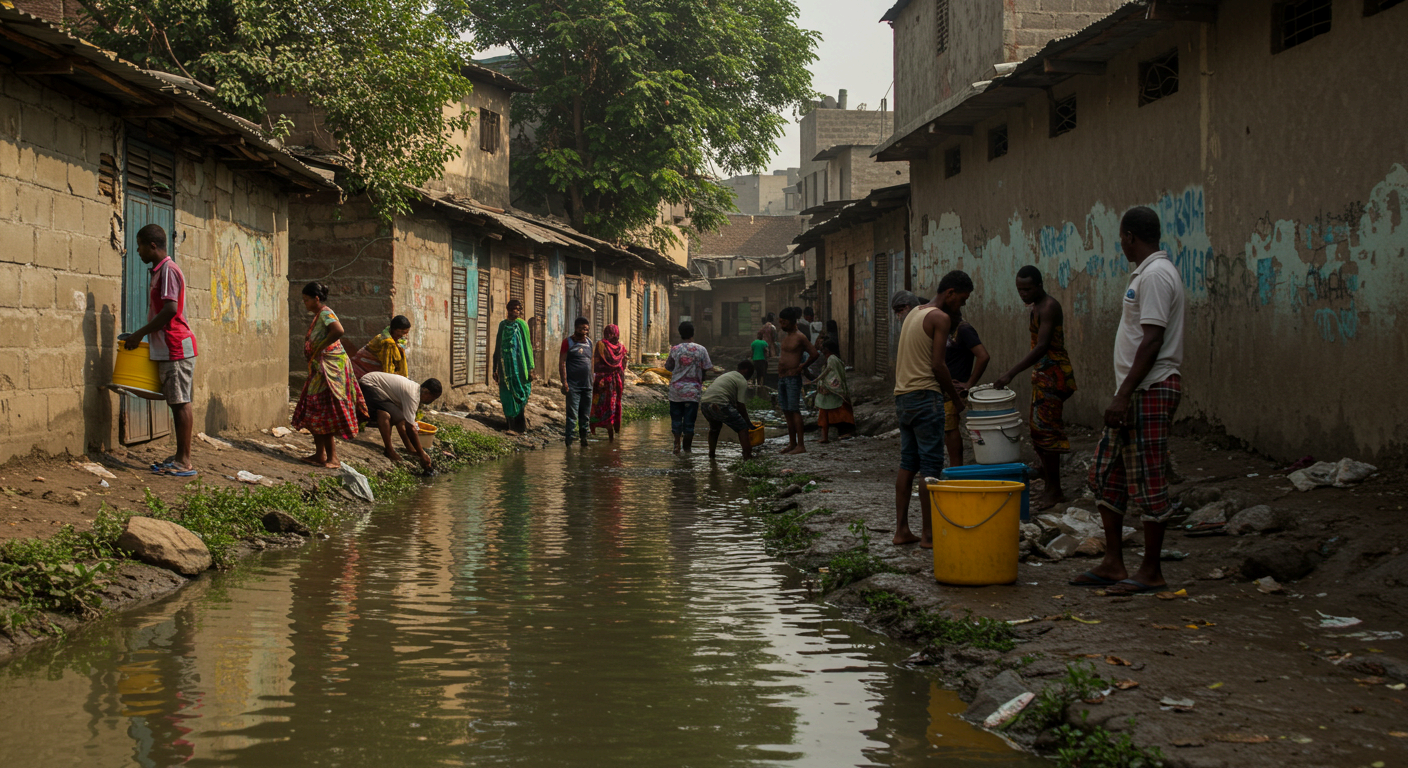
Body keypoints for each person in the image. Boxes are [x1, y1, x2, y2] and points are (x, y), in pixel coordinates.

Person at [1073, 206, 1186, 596]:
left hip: (1148, 391)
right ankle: (1113, 562)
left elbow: (1152, 339)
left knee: (1148, 479)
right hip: (1135, 392)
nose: (1120, 244)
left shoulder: (1155, 275)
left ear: (1129, 236)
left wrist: (1123, 395)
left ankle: (1151, 571)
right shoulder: (1147, 273)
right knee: (1106, 476)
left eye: (1121, 237)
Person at [892, 271, 968, 547]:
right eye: (961, 299)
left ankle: (901, 531)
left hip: (903, 397)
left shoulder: (914, 313)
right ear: (949, 294)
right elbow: (938, 365)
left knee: (907, 464)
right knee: (931, 468)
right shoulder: (940, 318)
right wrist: (956, 399)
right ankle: (929, 534)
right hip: (926, 397)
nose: (961, 305)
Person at [994, 265, 1077, 508]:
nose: (1023, 294)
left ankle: (1055, 490)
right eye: (1020, 290)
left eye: (1027, 289)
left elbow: (1041, 347)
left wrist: (1010, 373)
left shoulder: (1049, 306)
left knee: (1047, 432)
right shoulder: (1036, 307)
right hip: (1043, 375)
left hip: (1054, 375)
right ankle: (1048, 480)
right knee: (1038, 430)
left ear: (1039, 286)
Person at [124, 224, 198, 477]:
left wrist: (140, 333)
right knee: (177, 401)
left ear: (152, 246)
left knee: (180, 403)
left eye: (140, 245)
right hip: (169, 346)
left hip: (175, 345)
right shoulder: (159, 271)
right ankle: (180, 456)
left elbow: (169, 310)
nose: (137, 250)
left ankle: (184, 461)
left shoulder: (167, 270)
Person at [291, 281, 367, 468]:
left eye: (307, 300)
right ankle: (320, 454)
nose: (305, 303)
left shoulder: (326, 313)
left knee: (324, 412)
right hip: (320, 371)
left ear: (316, 298)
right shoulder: (320, 315)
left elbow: (338, 331)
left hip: (330, 373)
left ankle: (333, 458)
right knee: (316, 411)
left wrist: (320, 349)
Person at [940, 282, 990, 468]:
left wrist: (968, 383)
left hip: (953, 388)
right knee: (947, 429)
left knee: (950, 429)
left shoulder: (964, 330)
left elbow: (983, 356)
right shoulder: (947, 331)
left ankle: (956, 468)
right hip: (944, 387)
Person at [358, 372, 442, 471]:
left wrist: (411, 449)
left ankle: (397, 449)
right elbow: (410, 428)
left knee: (394, 416)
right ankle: (389, 450)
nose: (431, 401)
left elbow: (401, 424)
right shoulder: (412, 396)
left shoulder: (413, 391)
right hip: (369, 384)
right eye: (433, 397)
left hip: (375, 387)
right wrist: (421, 453)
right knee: (387, 414)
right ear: (426, 392)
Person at [665, 321, 713, 454]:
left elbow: (668, 367)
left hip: (676, 392)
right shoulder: (701, 349)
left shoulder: (675, 349)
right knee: (689, 422)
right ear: (693, 333)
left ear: (680, 333)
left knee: (676, 419)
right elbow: (708, 367)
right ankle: (687, 449)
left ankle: (676, 444)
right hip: (693, 392)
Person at [776, 307, 818, 455]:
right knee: (786, 411)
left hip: (793, 378)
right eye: (780, 322)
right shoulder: (786, 337)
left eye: (784, 322)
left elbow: (814, 354)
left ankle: (801, 445)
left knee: (794, 410)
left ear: (792, 321)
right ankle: (792, 443)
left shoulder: (800, 337)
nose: (782, 325)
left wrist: (801, 367)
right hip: (782, 378)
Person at [492, 298, 534, 434]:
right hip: (505, 368)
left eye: (518, 309)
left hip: (520, 367)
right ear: (508, 310)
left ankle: (520, 426)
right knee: (506, 395)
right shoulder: (502, 325)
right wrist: (495, 368)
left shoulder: (522, 324)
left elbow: (528, 346)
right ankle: (510, 425)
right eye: (513, 308)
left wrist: (530, 368)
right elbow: (498, 346)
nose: (515, 311)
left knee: (521, 392)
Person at [700, 360, 756, 460]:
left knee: (715, 428)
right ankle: (748, 456)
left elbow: (733, 403)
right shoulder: (742, 380)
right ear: (746, 371)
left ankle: (711, 455)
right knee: (743, 428)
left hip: (705, 403)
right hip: (720, 404)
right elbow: (740, 405)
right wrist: (748, 422)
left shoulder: (728, 375)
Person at [810, 338, 854, 443]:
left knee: (838, 412)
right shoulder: (831, 359)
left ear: (827, 349)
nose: (821, 349)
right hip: (828, 391)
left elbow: (834, 375)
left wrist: (828, 385)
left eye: (823, 347)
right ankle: (825, 437)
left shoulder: (832, 359)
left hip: (831, 391)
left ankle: (840, 434)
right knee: (824, 414)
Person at [558, 317, 593, 447]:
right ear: (576, 328)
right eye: (581, 329)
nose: (584, 332)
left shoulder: (589, 342)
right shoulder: (567, 342)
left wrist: (592, 380)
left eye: (586, 329)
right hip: (573, 386)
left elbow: (591, 362)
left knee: (585, 415)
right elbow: (562, 362)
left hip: (587, 385)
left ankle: (584, 440)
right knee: (572, 415)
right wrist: (564, 382)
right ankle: (569, 442)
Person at [591, 323, 629, 441]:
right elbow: (623, 366)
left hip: (602, 381)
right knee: (612, 404)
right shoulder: (621, 347)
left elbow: (596, 364)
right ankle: (611, 434)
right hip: (616, 381)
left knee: (598, 403)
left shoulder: (600, 345)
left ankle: (594, 428)